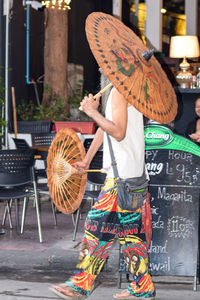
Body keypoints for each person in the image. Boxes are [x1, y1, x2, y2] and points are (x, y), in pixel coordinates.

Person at [49, 71, 155, 300]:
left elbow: (117, 132)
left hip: (120, 180)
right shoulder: (128, 91)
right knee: (131, 234)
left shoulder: (119, 92)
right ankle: (142, 287)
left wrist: (92, 112)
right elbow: (104, 131)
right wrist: (87, 160)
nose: (99, 70)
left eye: (103, 66)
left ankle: (79, 286)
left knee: (95, 229)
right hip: (133, 176)